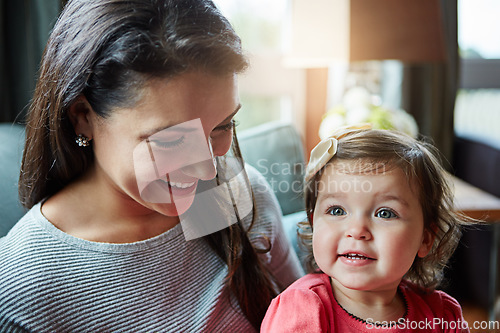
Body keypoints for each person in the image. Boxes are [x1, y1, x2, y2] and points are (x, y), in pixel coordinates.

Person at [0, 0, 303, 332]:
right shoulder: (22, 289)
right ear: (83, 117)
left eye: (222, 126)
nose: (207, 172)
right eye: (172, 141)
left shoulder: (234, 193)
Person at [261, 127, 471, 332]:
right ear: (313, 222)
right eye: (336, 210)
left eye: (385, 213)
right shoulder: (301, 311)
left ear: (426, 239)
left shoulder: (442, 315)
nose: (357, 230)